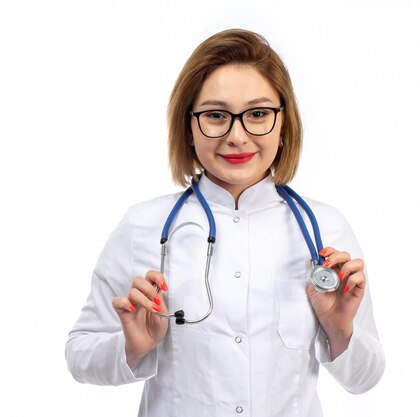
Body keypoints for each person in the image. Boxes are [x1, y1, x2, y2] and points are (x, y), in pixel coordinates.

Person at [65, 28, 384, 416]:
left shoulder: (325, 230)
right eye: (216, 115)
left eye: (258, 114)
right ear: (189, 127)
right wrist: (133, 347)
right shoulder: (143, 226)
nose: (237, 136)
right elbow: (79, 355)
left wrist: (339, 331)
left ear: (283, 126)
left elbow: (365, 378)